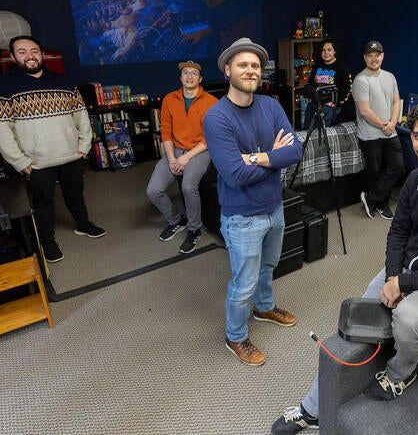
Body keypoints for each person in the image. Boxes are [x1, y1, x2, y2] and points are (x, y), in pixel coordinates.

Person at [271, 102, 418, 434]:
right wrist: (394, 275)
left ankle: (400, 373)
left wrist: (404, 283)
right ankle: (312, 410)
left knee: (407, 319)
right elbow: (399, 232)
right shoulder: (415, 178)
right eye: (417, 135)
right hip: (407, 269)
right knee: (361, 315)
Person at [204, 37, 304, 367]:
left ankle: (264, 308)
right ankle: (235, 336)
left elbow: (295, 151)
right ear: (228, 69)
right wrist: (273, 158)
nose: (251, 70)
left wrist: (257, 157)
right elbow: (234, 174)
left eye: (256, 65)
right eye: (243, 64)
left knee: (268, 268)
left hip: (274, 208)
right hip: (242, 216)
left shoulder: (271, 106)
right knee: (243, 282)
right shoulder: (217, 117)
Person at [0, 36, 105, 264]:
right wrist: (20, 162)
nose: (29, 55)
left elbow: (81, 117)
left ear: (41, 54)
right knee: (43, 203)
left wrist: (83, 147)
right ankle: (48, 242)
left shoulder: (62, 81)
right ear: (13, 56)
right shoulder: (1, 88)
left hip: (71, 155)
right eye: (22, 51)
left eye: (34, 50)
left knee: (75, 193)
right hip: (37, 162)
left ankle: (83, 224)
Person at [145, 60, 217, 253]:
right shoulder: (169, 99)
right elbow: (165, 131)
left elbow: (210, 137)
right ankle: (176, 220)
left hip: (200, 150)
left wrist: (186, 158)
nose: (189, 76)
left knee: (188, 186)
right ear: (180, 77)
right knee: (153, 190)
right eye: (186, 72)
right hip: (175, 150)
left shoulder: (211, 102)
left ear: (200, 79)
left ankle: (195, 230)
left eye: (194, 73)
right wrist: (171, 159)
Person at [352, 40, 404, 220]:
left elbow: (396, 101)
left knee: (398, 166)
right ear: (365, 58)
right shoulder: (360, 80)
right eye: (370, 56)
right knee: (375, 172)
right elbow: (364, 110)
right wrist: (384, 124)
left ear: (382, 56)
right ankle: (382, 204)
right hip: (371, 135)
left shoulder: (390, 77)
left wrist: (393, 122)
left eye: (377, 55)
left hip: (391, 131)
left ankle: (372, 197)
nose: (374, 59)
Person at [302, 38, 353, 128]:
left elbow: (347, 89)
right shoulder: (317, 65)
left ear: (334, 51)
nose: (326, 53)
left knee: (322, 133)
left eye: (329, 50)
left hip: (330, 106)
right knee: (307, 130)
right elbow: (310, 83)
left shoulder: (341, 67)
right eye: (323, 50)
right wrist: (310, 97)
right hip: (315, 103)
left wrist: (335, 102)